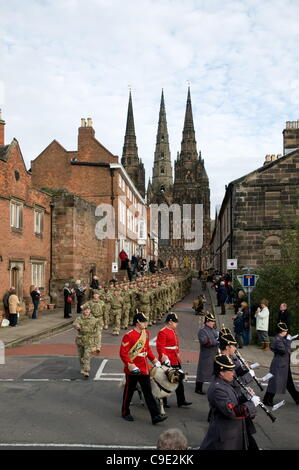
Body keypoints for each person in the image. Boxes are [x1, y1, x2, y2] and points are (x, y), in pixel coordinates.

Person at [200, 354, 259, 450]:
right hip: (226, 436)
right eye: (230, 370)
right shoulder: (217, 389)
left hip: (233, 432)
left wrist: (245, 397)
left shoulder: (224, 383)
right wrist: (251, 404)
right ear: (221, 372)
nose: (233, 373)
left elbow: (232, 401)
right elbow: (231, 411)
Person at [119, 312, 167, 425]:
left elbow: (147, 350)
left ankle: (155, 416)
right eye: (144, 321)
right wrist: (130, 364)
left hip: (144, 367)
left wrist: (155, 360)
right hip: (133, 368)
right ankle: (125, 412)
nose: (146, 323)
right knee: (129, 392)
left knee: (148, 392)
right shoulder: (129, 335)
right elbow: (123, 353)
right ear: (138, 323)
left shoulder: (146, 333)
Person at [156, 313, 192, 408]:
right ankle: (163, 401)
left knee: (179, 379)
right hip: (168, 359)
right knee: (165, 381)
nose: (177, 324)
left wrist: (178, 352)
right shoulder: (163, 332)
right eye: (175, 322)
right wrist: (164, 357)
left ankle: (181, 400)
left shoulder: (173, 330)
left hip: (175, 358)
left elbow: (176, 343)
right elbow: (160, 347)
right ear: (170, 322)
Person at [263, 322, 299, 406]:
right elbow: (284, 350)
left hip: (284, 364)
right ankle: (267, 399)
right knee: (274, 382)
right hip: (279, 365)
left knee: (288, 382)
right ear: (282, 331)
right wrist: (289, 340)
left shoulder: (281, 338)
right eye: (285, 331)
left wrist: (290, 340)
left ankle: (297, 397)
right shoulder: (278, 340)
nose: (286, 332)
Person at [195, 311, 219, 395]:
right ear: (208, 322)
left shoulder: (213, 330)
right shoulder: (202, 331)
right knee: (202, 372)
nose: (213, 323)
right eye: (212, 321)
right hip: (206, 354)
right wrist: (216, 342)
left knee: (213, 372)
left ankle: (214, 388)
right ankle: (198, 388)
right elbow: (204, 341)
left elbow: (217, 337)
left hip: (213, 353)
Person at [73, 306, 98, 377]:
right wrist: (76, 325)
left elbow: (97, 331)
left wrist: (96, 343)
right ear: (83, 311)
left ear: (90, 311)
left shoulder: (94, 319)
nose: (86, 311)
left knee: (87, 355)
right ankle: (82, 367)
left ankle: (86, 370)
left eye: (88, 310)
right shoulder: (79, 318)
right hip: (80, 339)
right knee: (81, 355)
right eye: (85, 310)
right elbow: (74, 323)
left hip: (89, 339)